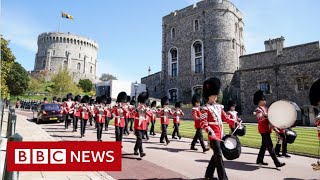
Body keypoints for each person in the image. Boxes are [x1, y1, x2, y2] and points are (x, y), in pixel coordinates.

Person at [200, 77, 239, 180]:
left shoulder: (219, 107)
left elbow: (225, 118)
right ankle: (223, 178)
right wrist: (209, 130)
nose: (216, 96)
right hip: (213, 135)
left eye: (216, 94)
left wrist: (234, 121)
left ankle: (208, 174)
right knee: (219, 155)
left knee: (216, 155)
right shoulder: (204, 108)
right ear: (209, 95)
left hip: (221, 133)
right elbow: (203, 123)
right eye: (214, 94)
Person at [254, 90, 285, 168]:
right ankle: (277, 162)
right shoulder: (258, 110)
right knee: (270, 146)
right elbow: (260, 118)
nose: (265, 101)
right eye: (263, 99)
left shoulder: (266, 109)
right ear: (260, 101)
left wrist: (275, 128)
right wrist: (266, 115)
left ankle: (259, 160)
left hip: (267, 129)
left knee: (264, 145)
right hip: (263, 130)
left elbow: (270, 120)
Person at [133, 92, 151, 157]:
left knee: (139, 140)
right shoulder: (137, 107)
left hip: (143, 125)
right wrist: (137, 110)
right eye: (141, 103)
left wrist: (146, 111)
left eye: (143, 103)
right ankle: (140, 151)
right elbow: (133, 114)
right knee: (140, 139)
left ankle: (137, 150)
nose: (142, 104)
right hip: (137, 125)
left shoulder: (146, 108)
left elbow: (150, 115)